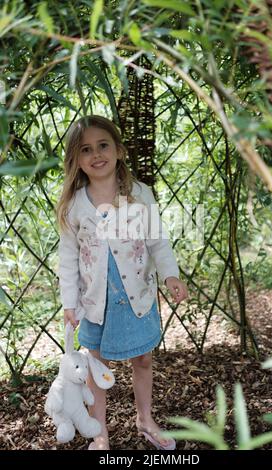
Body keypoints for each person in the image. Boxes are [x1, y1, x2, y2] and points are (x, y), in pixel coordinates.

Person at [55, 115, 188, 450]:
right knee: (96, 367)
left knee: (143, 360)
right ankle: (99, 432)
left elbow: (158, 241)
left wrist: (170, 274)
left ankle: (145, 419)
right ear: (76, 160)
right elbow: (68, 258)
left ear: (118, 150)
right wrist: (69, 302)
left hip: (137, 297)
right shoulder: (75, 205)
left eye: (103, 145)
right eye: (86, 149)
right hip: (96, 302)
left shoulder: (140, 194)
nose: (96, 154)